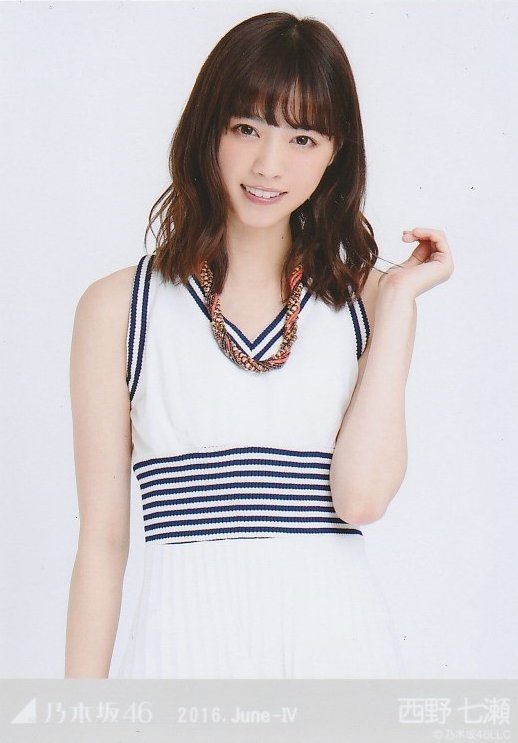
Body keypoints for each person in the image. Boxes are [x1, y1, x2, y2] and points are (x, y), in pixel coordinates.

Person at [64, 11, 453, 679]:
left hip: (341, 668)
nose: (269, 164)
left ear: (335, 154)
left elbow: (360, 501)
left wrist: (397, 306)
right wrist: (77, 716)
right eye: (247, 127)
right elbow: (102, 542)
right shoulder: (119, 308)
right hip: (178, 664)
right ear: (207, 130)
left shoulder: (368, 303)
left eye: (303, 138)